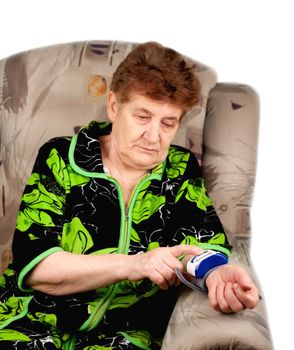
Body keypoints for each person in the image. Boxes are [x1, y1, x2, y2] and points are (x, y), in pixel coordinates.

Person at [0, 41, 259, 350]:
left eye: (168, 122)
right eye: (143, 117)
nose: (154, 136)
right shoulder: (61, 157)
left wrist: (217, 273)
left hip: (126, 333)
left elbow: (202, 243)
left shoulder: (178, 170)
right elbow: (36, 266)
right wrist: (137, 264)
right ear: (114, 106)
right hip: (30, 321)